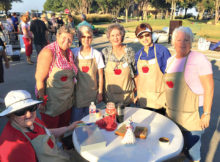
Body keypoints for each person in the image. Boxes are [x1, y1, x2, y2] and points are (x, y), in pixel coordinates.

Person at [165, 26, 214, 162]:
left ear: (191, 42)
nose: (182, 43)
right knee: (176, 147)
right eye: (179, 40)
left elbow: (209, 88)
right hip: (173, 113)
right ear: (173, 42)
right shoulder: (170, 61)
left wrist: (207, 113)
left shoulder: (199, 59)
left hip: (193, 113)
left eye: (187, 40)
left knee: (192, 148)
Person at [0, 90, 83, 162]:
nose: (28, 114)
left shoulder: (33, 121)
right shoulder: (16, 145)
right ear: (10, 115)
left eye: (31, 107)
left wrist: (69, 128)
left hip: (60, 155)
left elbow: (46, 132)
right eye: (20, 111)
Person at [35, 25, 78, 128]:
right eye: (64, 38)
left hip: (66, 101)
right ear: (57, 37)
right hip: (52, 102)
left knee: (64, 128)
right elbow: (39, 79)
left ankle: (62, 144)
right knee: (51, 131)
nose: (66, 41)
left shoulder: (69, 52)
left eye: (70, 39)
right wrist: (42, 101)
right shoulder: (48, 52)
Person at [134, 23, 171, 115]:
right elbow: (138, 76)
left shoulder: (162, 51)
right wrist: (137, 95)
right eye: (141, 37)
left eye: (147, 35)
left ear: (152, 35)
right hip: (144, 98)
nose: (144, 39)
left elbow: (170, 75)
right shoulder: (138, 55)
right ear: (138, 39)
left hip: (159, 97)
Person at [71, 25, 104, 121]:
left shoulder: (97, 54)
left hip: (91, 93)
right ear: (79, 37)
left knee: (91, 120)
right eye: (83, 37)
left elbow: (100, 76)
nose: (86, 39)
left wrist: (100, 93)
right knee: (77, 122)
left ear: (92, 38)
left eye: (89, 37)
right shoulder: (74, 53)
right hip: (78, 94)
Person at [102, 23, 135, 106]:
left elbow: (135, 73)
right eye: (112, 35)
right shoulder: (105, 52)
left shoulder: (129, 51)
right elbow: (101, 75)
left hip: (127, 96)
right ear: (109, 38)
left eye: (118, 35)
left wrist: (136, 92)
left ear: (122, 36)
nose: (115, 38)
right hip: (110, 97)